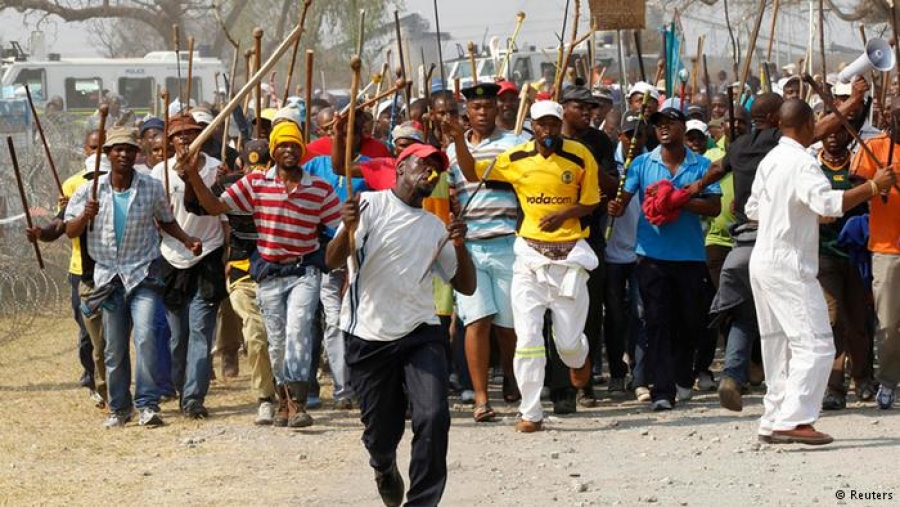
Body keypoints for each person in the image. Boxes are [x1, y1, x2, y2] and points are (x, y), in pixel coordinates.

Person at [325, 143, 475, 507]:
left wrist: (459, 241)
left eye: (436, 168)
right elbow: (331, 261)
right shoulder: (368, 206)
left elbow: (466, 285)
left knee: (434, 416)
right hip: (368, 335)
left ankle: (422, 502)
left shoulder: (434, 225)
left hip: (420, 332)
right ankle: (383, 465)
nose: (431, 172)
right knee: (381, 433)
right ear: (401, 166)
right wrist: (347, 230)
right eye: (424, 164)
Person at [747, 99, 894, 445]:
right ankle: (794, 419)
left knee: (778, 344)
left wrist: (802, 212)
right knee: (817, 344)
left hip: (764, 259)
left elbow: (754, 208)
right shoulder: (802, 162)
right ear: (806, 124)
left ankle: (774, 417)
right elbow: (829, 204)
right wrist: (874, 186)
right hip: (789, 262)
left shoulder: (771, 159)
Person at [182, 119, 341, 429]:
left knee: (298, 331)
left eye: (294, 144)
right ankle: (282, 401)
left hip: (304, 271)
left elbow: (340, 227)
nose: (288, 150)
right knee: (276, 341)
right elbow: (215, 207)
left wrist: (348, 235)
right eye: (281, 145)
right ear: (273, 150)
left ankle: (296, 401)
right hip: (268, 273)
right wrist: (192, 176)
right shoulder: (254, 185)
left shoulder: (319, 188)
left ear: (302, 149)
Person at [452, 100, 600, 432]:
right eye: (541, 124)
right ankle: (530, 412)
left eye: (553, 124)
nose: (547, 130)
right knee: (528, 337)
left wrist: (563, 214)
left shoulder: (579, 155)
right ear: (532, 127)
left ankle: (579, 356)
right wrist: (459, 140)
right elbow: (473, 172)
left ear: (560, 124)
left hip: (569, 259)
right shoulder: (516, 158)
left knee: (567, 343)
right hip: (529, 257)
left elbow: (591, 201)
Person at [65, 126, 202, 428]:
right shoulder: (90, 190)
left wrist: (187, 239)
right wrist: (85, 216)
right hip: (109, 278)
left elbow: (166, 221)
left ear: (136, 153)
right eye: (117, 149)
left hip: (143, 274)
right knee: (114, 347)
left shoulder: (151, 187)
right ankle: (119, 407)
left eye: (129, 149)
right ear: (108, 154)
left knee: (146, 338)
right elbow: (69, 231)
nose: (124, 154)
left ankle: (148, 405)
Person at [607, 107, 722, 411]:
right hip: (651, 256)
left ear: (684, 127)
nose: (664, 128)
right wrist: (616, 207)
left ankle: (683, 376)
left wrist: (676, 201)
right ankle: (662, 390)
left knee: (689, 321)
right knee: (657, 322)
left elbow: (714, 208)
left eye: (670, 122)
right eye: (658, 124)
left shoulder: (701, 165)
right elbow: (624, 199)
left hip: (690, 256)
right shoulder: (643, 163)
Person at [445, 82, 523, 422]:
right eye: (476, 108)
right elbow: (449, 191)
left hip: (507, 242)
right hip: (471, 247)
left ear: (497, 108)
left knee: (509, 326)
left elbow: (519, 186)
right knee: (476, 321)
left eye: (488, 107)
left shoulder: (516, 143)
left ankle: (510, 374)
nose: (482, 112)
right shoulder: (450, 151)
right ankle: (480, 398)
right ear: (467, 112)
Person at [151, 114, 226, 419]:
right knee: (177, 334)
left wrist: (226, 258)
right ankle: (181, 386)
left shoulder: (216, 168)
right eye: (179, 135)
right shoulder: (159, 172)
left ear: (202, 135)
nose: (185, 139)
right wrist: (179, 239)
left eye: (192, 133)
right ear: (170, 141)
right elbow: (156, 218)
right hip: (171, 256)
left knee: (200, 331)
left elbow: (223, 215)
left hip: (208, 252)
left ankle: (193, 397)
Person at [556, 84, 618, 410]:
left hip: (589, 240)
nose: (587, 113)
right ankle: (560, 386)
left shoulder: (598, 142)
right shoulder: (547, 142)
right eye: (580, 106)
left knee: (590, 314)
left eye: (590, 107)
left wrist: (588, 163)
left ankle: (586, 381)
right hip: (552, 242)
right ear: (563, 107)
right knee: (556, 314)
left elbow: (612, 185)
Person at [816, 128, 873, 410]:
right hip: (823, 253)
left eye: (839, 133)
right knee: (833, 318)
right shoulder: (812, 167)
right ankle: (833, 386)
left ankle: (863, 378)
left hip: (856, 252)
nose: (833, 137)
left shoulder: (860, 163)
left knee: (858, 319)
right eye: (828, 133)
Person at [850, 94, 900, 409]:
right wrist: (877, 183)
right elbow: (854, 186)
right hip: (887, 249)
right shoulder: (878, 147)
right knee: (889, 322)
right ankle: (889, 380)